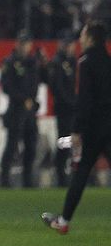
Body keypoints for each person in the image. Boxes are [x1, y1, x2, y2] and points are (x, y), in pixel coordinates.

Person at [43, 22, 111, 234]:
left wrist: (77, 129)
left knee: (80, 173)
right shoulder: (108, 62)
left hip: (92, 129)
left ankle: (63, 221)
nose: (80, 38)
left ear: (90, 38)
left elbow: (85, 100)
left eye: (83, 34)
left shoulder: (85, 62)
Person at [0, 32, 43, 188]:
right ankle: (4, 179)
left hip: (30, 111)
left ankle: (27, 179)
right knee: (11, 146)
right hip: (16, 110)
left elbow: (38, 82)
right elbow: (6, 87)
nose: (25, 47)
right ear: (17, 44)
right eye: (23, 43)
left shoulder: (33, 63)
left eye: (28, 44)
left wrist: (31, 100)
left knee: (31, 145)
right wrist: (23, 99)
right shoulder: (9, 62)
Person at [46, 34, 82, 186]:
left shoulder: (72, 62)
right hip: (64, 109)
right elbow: (58, 89)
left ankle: (68, 172)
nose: (71, 48)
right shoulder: (57, 62)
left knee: (71, 141)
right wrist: (72, 102)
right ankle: (60, 173)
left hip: (72, 109)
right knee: (63, 140)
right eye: (68, 45)